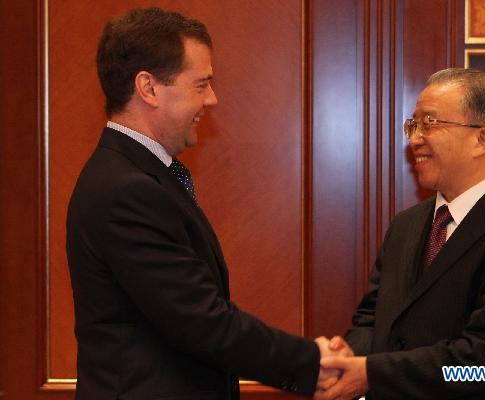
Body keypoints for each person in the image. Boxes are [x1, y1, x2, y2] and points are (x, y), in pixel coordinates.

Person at [66, 7, 344, 400]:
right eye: (201, 85)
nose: (211, 100)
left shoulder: (142, 175)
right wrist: (310, 362)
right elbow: (201, 321)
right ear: (148, 88)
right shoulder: (126, 189)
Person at [316, 68, 485, 400]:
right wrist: (347, 356)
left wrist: (371, 374)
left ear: (482, 140)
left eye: (429, 123)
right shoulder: (406, 225)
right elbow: (372, 320)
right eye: (413, 125)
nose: (415, 138)